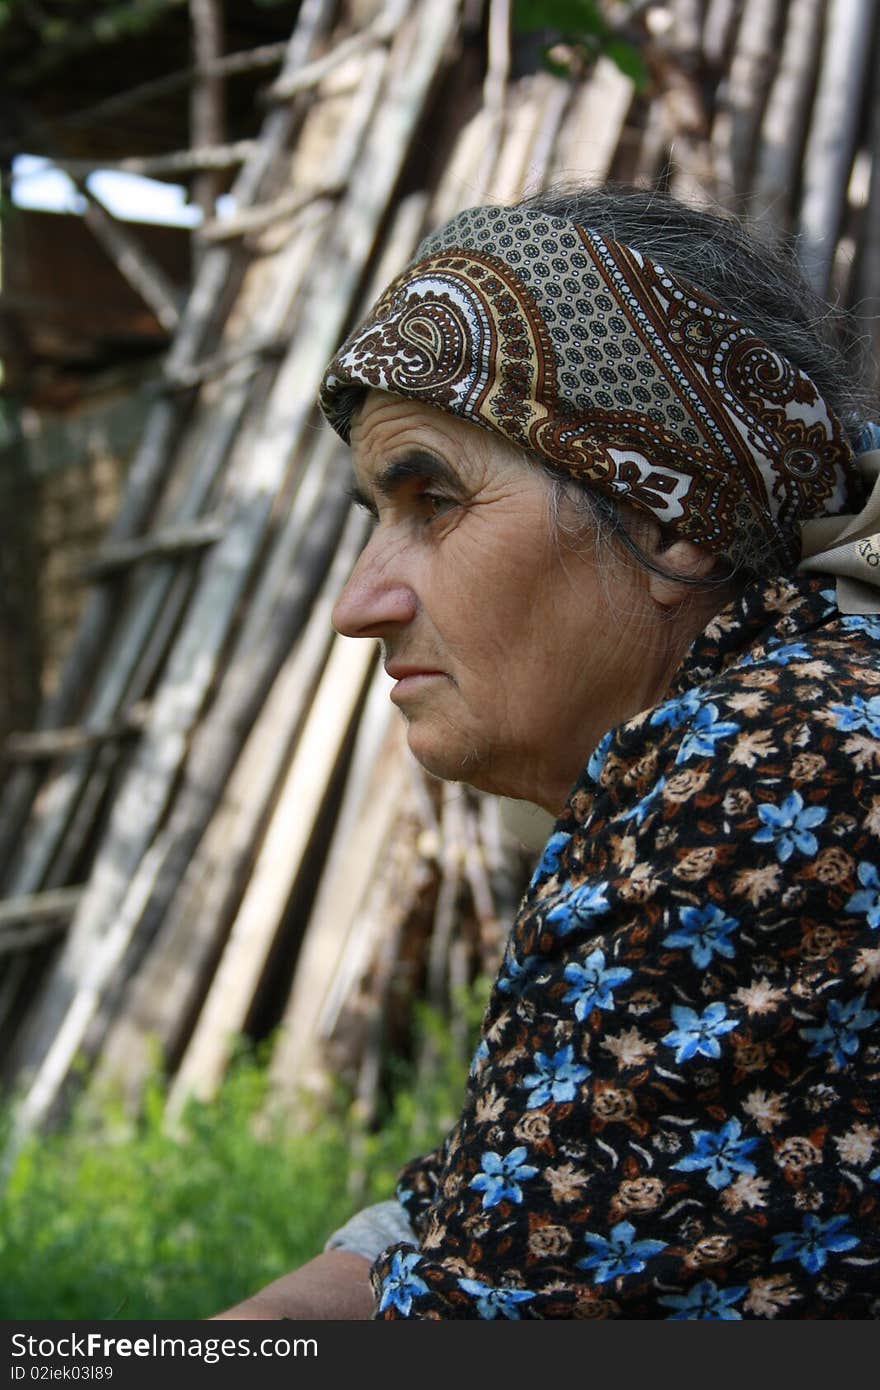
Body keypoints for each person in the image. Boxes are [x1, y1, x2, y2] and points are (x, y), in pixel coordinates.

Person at [214, 185, 880, 1320]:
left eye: (434, 499)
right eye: (373, 515)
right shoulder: (778, 718)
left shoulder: (771, 767)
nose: (357, 604)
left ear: (670, 512)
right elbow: (499, 1207)